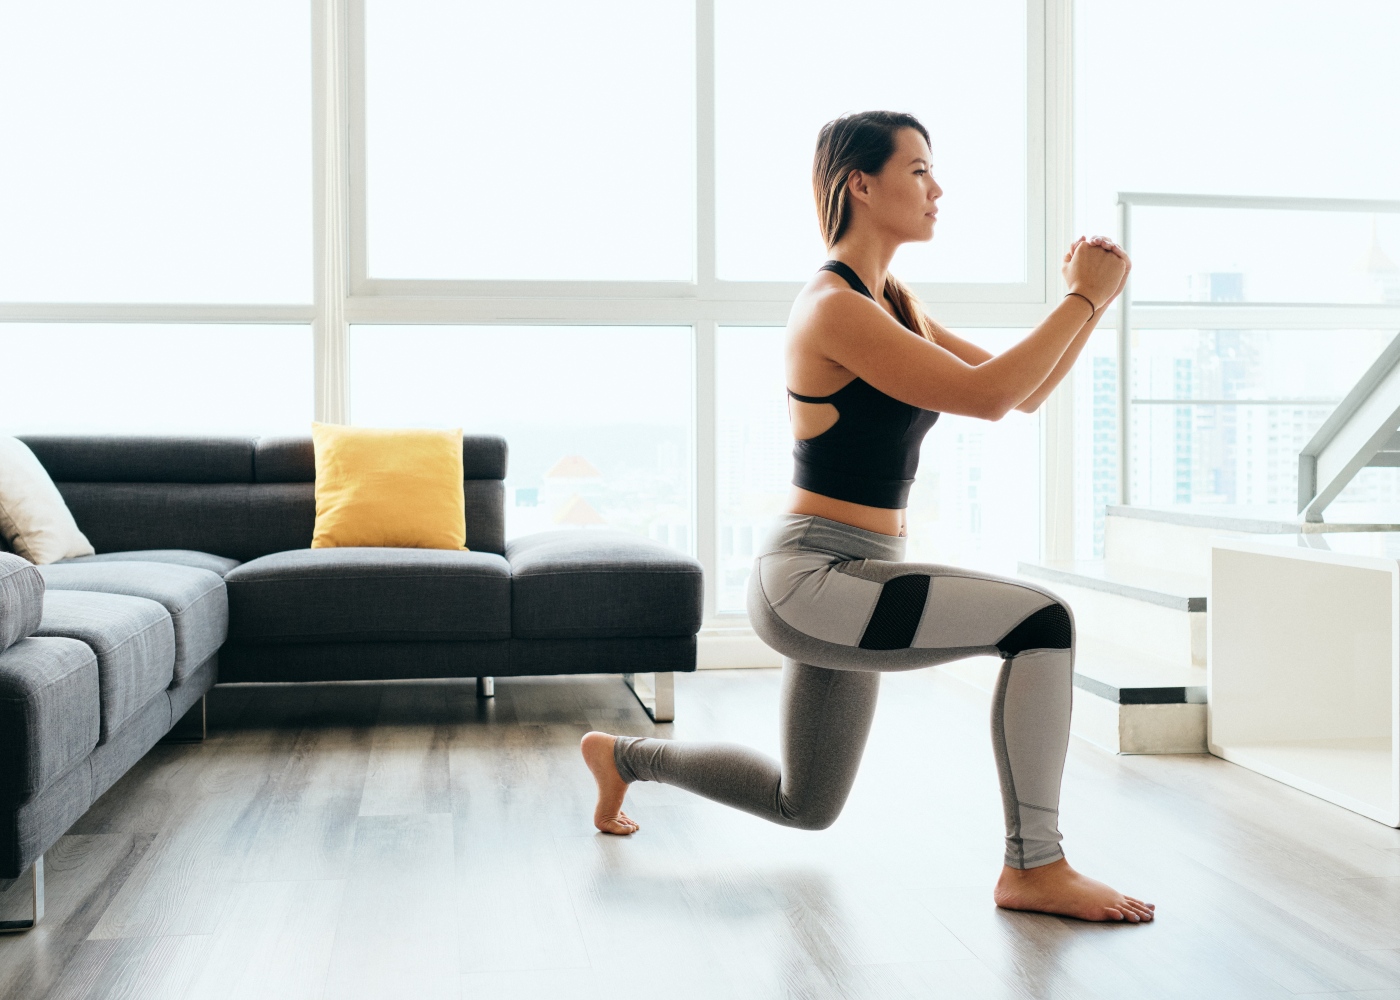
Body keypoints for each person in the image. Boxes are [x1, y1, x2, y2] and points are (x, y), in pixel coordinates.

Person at [582, 110, 1153, 923]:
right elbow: (990, 399)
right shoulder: (834, 308)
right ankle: (1036, 865)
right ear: (861, 182)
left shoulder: (894, 303)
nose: (936, 188)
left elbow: (1022, 393)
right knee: (1042, 623)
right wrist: (1079, 297)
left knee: (803, 804)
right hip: (815, 576)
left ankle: (622, 758)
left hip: (858, 578)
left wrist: (1089, 308)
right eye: (918, 170)